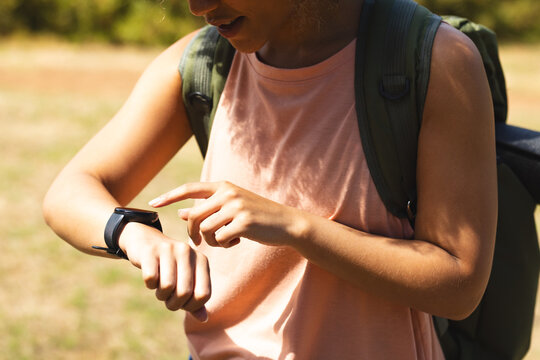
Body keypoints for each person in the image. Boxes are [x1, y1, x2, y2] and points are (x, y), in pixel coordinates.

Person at [43, 0, 497, 358]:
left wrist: (294, 227)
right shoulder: (202, 62)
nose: (198, 6)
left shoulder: (434, 59)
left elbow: (459, 284)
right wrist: (136, 235)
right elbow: (69, 191)